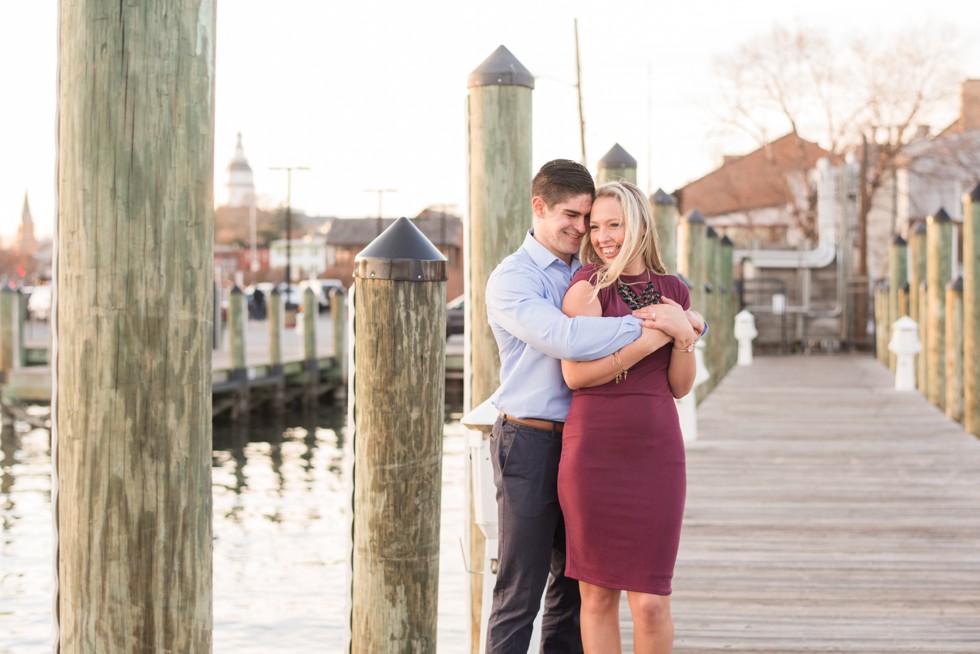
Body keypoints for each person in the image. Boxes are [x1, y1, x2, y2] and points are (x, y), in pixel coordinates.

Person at [484, 161, 704, 653]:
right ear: (538, 208)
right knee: (521, 591)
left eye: (599, 220)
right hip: (533, 439)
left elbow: (679, 382)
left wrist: (685, 327)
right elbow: (568, 343)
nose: (586, 230)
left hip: (601, 443)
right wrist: (665, 327)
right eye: (577, 217)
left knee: (573, 592)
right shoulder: (517, 279)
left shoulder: (579, 271)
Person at [558, 180, 698, 654]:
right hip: (593, 456)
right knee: (596, 595)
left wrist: (682, 338)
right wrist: (662, 334)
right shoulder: (586, 288)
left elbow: (680, 386)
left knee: (652, 600)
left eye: (613, 224)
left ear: (638, 224)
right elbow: (576, 375)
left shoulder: (675, 289)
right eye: (595, 227)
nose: (602, 237)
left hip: (656, 455)